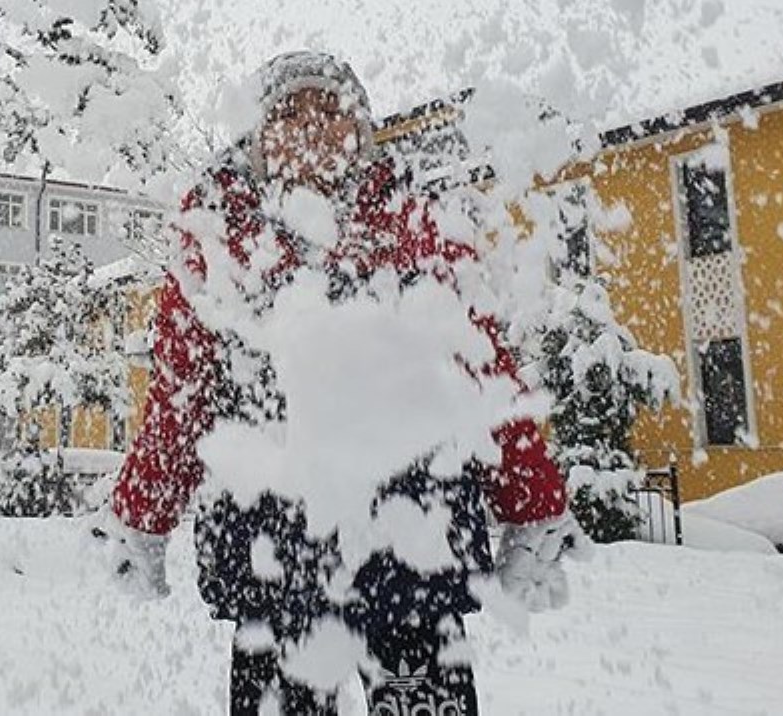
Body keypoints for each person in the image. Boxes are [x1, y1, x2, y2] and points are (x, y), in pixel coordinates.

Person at [96, 52, 586, 715]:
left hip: (413, 545)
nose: (309, 128)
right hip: (271, 554)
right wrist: (142, 516)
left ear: (360, 130)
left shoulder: (417, 220)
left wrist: (533, 506)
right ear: (256, 135)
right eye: (288, 112)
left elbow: (484, 370)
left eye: (329, 111)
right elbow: (182, 394)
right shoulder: (218, 230)